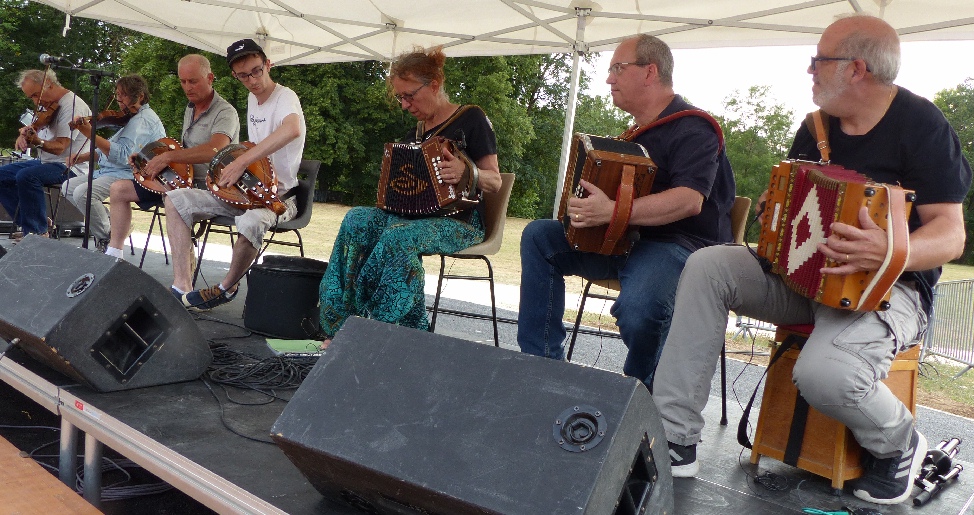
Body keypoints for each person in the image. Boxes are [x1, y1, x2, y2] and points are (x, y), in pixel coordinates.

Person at [652, 15, 972, 506]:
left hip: (888, 289)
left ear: (856, 69)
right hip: (803, 281)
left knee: (825, 373)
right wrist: (773, 209)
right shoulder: (815, 129)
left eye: (818, 60)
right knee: (709, 266)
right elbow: (794, 205)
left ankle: (900, 443)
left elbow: (951, 236)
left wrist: (888, 249)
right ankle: (674, 438)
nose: (810, 70)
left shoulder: (921, 125)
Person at [516, 34, 736, 390]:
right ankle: (541, 369)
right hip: (629, 243)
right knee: (541, 236)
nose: (609, 79)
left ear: (650, 72)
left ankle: (641, 395)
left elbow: (690, 200)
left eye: (617, 68)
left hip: (683, 247)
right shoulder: (634, 135)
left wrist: (612, 210)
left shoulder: (696, 127)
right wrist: (587, 212)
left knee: (639, 307)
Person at [317, 46, 502, 345]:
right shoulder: (416, 135)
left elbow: (495, 182)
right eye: (399, 98)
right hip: (411, 220)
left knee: (399, 238)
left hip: (461, 222)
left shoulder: (472, 118)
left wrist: (468, 172)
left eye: (409, 96)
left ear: (434, 84)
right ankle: (339, 323)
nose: (404, 105)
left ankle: (379, 333)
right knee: (357, 219)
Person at [166, 38, 305, 310]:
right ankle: (181, 286)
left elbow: (292, 130)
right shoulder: (253, 99)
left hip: (281, 197)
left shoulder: (285, 96)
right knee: (176, 199)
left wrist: (243, 162)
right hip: (246, 191)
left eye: (256, 71)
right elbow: (250, 150)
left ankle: (226, 288)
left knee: (252, 221)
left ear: (268, 64)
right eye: (243, 76)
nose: (252, 80)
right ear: (234, 75)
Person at [103, 54, 240, 259]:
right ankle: (114, 255)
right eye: (182, 81)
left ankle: (182, 277)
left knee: (173, 199)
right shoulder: (190, 107)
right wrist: (144, 159)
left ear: (210, 78)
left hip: (209, 186)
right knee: (119, 189)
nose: (187, 87)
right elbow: (182, 151)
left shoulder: (225, 111)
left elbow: (215, 149)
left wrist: (168, 158)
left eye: (193, 81)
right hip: (181, 180)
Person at [66, 74, 166, 251]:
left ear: (140, 96)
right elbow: (110, 149)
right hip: (111, 171)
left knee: (83, 193)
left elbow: (123, 156)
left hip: (128, 174)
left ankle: (108, 238)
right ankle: (112, 227)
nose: (118, 99)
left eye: (123, 95)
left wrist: (90, 134)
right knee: (69, 187)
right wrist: (82, 157)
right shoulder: (131, 119)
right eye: (117, 94)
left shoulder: (143, 120)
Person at [0, 69, 91, 240]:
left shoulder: (72, 106)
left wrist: (37, 142)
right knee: (1, 175)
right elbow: (34, 126)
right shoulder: (47, 103)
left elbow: (60, 147)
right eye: (31, 98)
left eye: (35, 95)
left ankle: (38, 233)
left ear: (48, 84)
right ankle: (33, 222)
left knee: (27, 176)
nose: (36, 102)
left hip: (69, 164)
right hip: (45, 162)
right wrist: (24, 134)